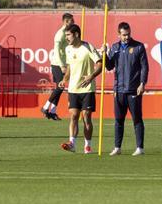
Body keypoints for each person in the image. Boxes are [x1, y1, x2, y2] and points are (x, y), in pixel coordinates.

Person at [103, 21, 147, 156]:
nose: (126, 37)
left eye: (128, 34)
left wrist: (142, 83)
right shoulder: (115, 48)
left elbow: (145, 67)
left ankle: (140, 147)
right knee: (118, 120)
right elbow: (109, 66)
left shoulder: (138, 47)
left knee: (137, 119)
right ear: (119, 34)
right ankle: (117, 147)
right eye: (123, 35)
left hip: (134, 90)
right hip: (119, 90)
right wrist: (104, 54)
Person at [59, 23, 102, 154]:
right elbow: (70, 67)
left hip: (87, 89)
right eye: (65, 35)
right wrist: (64, 80)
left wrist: (92, 76)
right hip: (73, 89)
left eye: (68, 35)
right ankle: (72, 143)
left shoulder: (88, 47)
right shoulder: (68, 49)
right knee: (73, 116)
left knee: (86, 117)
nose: (66, 38)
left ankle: (87, 145)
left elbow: (99, 63)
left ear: (76, 34)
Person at [41, 12, 75, 120]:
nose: (74, 23)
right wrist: (62, 66)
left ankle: (53, 111)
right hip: (57, 64)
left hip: (63, 64)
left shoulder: (68, 33)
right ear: (66, 22)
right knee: (60, 86)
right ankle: (45, 107)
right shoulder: (60, 34)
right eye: (72, 21)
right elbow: (56, 51)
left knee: (59, 87)